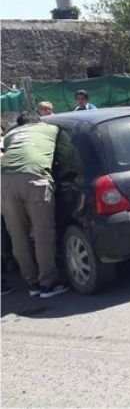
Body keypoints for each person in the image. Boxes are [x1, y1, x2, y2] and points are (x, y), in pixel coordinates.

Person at [1, 111, 69, 298]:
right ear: (38, 121)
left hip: (4, 182)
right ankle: (48, 284)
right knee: (42, 233)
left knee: (18, 235)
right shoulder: (50, 127)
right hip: (34, 179)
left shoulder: (10, 135)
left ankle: (32, 284)